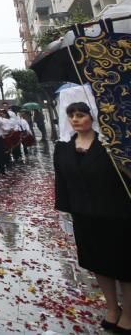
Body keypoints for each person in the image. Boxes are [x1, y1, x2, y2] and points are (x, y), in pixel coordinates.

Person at [54, 101, 131, 333]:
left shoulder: (111, 146)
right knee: (98, 263)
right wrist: (67, 208)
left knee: (124, 265)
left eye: (80, 115)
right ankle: (112, 308)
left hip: (116, 215)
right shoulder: (64, 148)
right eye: (71, 116)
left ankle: (128, 312)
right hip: (84, 216)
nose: (75, 119)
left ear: (92, 117)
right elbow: (62, 181)